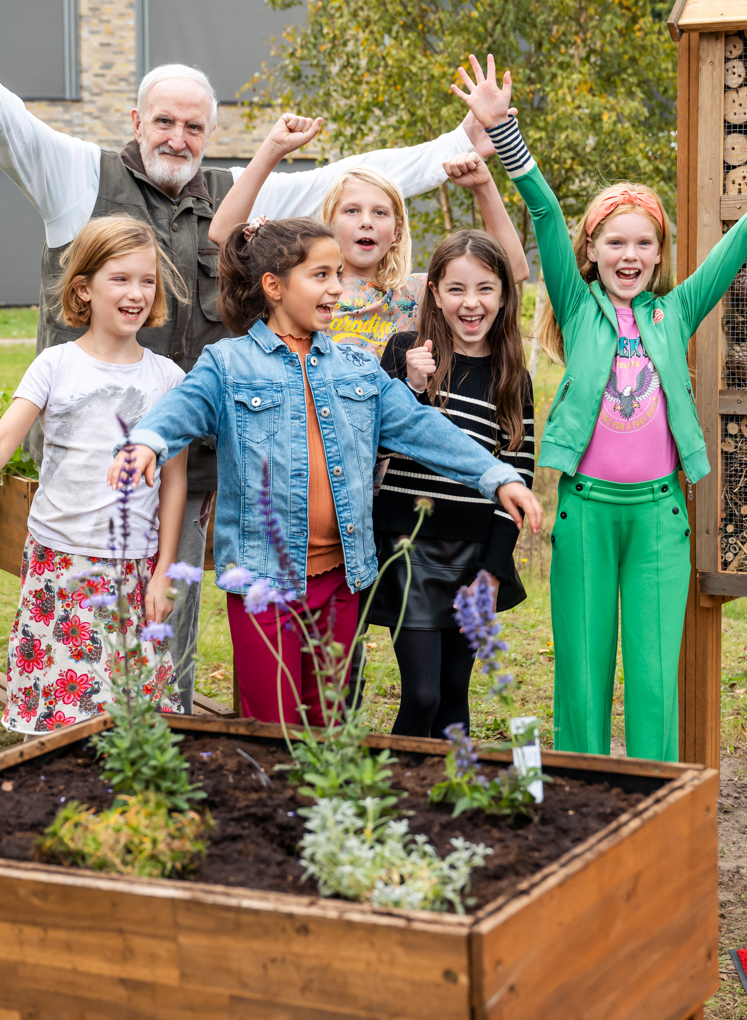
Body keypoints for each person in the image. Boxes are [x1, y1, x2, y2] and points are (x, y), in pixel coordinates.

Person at [0, 0, 503, 712]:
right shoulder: (78, 176)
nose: (178, 137)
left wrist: (460, 139)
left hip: (194, 466)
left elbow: (352, 177)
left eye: (194, 126)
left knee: (167, 609)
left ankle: (166, 739)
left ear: (210, 133)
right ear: (137, 122)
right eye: (165, 121)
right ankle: (73, 722)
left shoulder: (241, 198)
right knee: (81, 604)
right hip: (86, 458)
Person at [452, 54, 747, 762]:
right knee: (582, 672)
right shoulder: (577, 306)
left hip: (659, 516)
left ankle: (653, 795)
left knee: (654, 678)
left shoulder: (675, 313)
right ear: (591, 252)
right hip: (586, 512)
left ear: (658, 254)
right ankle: (583, 787)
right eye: (615, 242)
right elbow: (545, 212)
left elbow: (741, 240)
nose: (629, 254)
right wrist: (504, 131)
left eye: (643, 243)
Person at [107, 215, 542, 727]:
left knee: (330, 725)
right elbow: (183, 407)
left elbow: (422, 426)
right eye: (322, 275)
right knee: (275, 728)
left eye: (338, 274)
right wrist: (148, 442)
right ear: (274, 286)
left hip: (340, 581)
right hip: (264, 582)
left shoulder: (356, 367)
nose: (337, 287)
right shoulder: (229, 365)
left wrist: (497, 475)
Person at [0, 217, 188, 734]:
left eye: (147, 280)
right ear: (83, 288)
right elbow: (1, 442)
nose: (137, 293)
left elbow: (174, 482)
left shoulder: (168, 379)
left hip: (134, 567)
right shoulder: (55, 365)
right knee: (60, 707)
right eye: (120, 279)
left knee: (131, 712)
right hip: (58, 560)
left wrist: (164, 569)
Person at [368, 230, 535, 737]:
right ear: (435, 294)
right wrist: (411, 387)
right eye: (456, 289)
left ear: (503, 296)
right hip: (409, 546)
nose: (471, 302)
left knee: (455, 694)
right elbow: (375, 446)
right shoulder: (405, 351)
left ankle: (445, 788)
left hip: (472, 552)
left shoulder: (512, 376)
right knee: (423, 694)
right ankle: (395, 785)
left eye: (485, 288)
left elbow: (518, 473)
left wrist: (493, 568)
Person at [210, 127, 530, 355]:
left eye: (380, 212)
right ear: (328, 224)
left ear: (397, 231)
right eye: (352, 211)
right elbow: (222, 233)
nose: (366, 221)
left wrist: (484, 187)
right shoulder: (302, 283)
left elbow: (512, 270)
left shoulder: (417, 293)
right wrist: (272, 150)